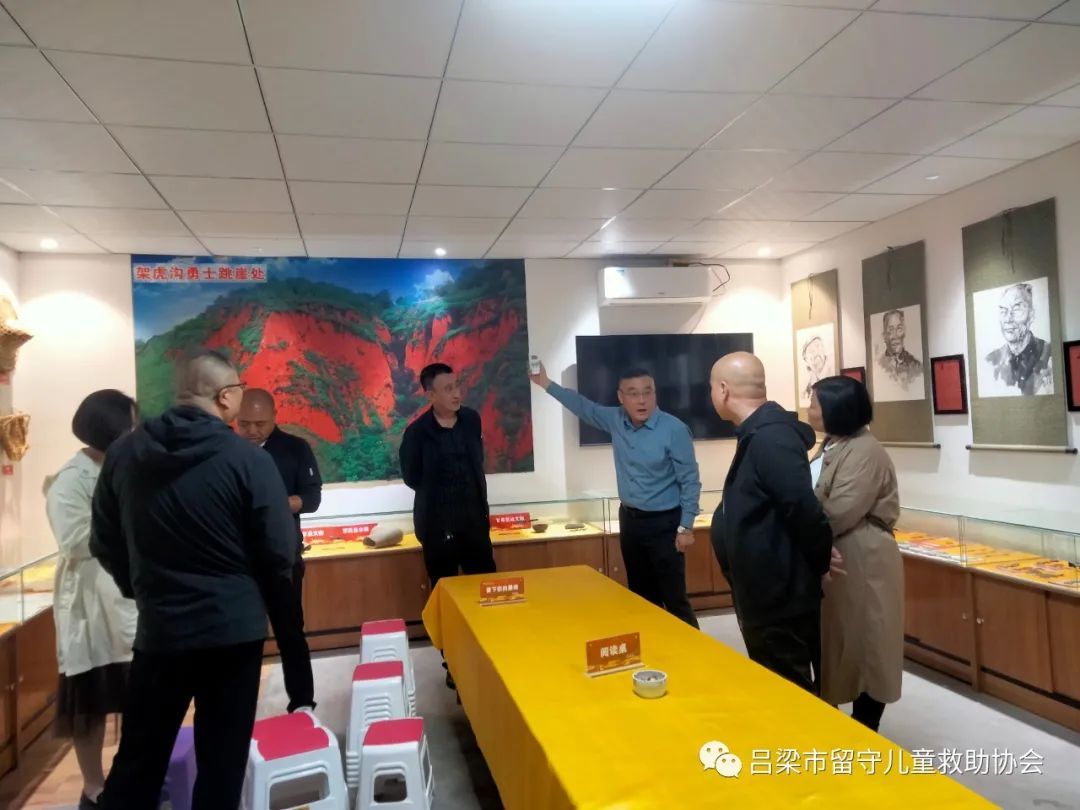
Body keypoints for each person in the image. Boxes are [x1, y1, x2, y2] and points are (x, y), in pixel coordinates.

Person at [90, 350, 300, 810]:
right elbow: (279, 550)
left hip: (161, 630)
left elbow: (103, 540)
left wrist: (142, 589)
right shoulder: (246, 459)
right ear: (225, 397)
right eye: (240, 389)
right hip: (233, 633)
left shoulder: (125, 453)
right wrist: (254, 600)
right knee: (221, 765)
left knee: (137, 765)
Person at [530, 362, 701, 628]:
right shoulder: (616, 420)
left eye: (647, 392)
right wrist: (546, 383)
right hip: (630, 521)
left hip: (665, 524)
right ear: (621, 397)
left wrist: (686, 526)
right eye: (633, 393)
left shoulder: (674, 430)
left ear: (655, 394)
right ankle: (654, 647)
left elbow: (690, 481)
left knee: (674, 598)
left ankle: (693, 650)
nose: (642, 400)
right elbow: (583, 407)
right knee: (641, 596)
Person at [709, 352, 833, 692]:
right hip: (763, 591)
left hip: (777, 596)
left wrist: (821, 558)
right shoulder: (757, 432)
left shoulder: (771, 437)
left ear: (723, 390)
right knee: (775, 681)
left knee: (789, 688)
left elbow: (801, 507)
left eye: (712, 388)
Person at [46, 390, 139, 810]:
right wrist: (126, 522)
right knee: (91, 703)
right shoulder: (70, 479)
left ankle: (132, 776)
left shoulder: (123, 466)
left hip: (127, 601)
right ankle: (93, 787)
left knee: (137, 695)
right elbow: (73, 540)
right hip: (91, 607)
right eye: (131, 424)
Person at [808, 376, 903, 731]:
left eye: (814, 403)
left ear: (835, 409)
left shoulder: (865, 451)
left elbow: (839, 511)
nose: (809, 409)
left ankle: (865, 728)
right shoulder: (834, 442)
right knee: (840, 640)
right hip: (838, 556)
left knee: (868, 642)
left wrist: (800, 533)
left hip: (863, 559)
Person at [237, 387, 320, 712]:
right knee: (242, 637)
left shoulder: (295, 448)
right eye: (245, 424)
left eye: (260, 424)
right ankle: (240, 707)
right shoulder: (228, 451)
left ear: (274, 416)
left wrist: (273, 504)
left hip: (282, 557)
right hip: (237, 561)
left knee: (290, 632)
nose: (252, 431)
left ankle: (302, 702)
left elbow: (311, 499)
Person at [400, 363, 495, 589]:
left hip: (474, 524)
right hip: (438, 528)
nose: (456, 394)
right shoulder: (417, 433)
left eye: (457, 386)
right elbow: (412, 477)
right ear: (431, 395)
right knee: (444, 591)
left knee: (486, 588)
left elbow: (477, 460)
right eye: (448, 389)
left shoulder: (471, 420)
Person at [985, 282, 1053, 395]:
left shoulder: (1049, 354)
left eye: (1016, 309)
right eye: (1003, 311)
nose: (1008, 319)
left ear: (1031, 315)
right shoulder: (991, 361)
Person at [876, 309, 922, 387]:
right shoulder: (878, 365)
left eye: (899, 329)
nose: (895, 335)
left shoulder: (916, 366)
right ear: (884, 335)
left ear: (904, 332)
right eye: (890, 330)